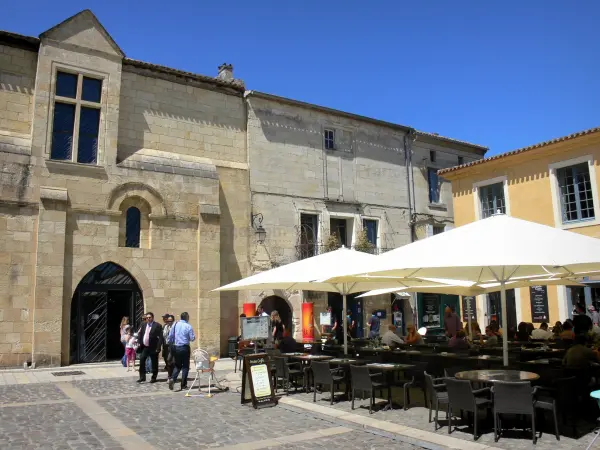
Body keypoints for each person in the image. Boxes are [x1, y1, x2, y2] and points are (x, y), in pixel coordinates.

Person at [168, 312, 196, 391]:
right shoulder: (188, 326)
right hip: (184, 347)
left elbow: (170, 336)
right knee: (185, 366)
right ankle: (183, 385)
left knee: (177, 365)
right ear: (187, 317)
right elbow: (192, 338)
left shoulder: (175, 324)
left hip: (176, 347)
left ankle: (173, 378)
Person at [137, 312, 163, 383]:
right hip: (145, 347)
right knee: (142, 360)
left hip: (153, 347)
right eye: (147, 318)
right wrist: (139, 342)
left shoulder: (157, 325)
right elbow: (140, 334)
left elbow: (160, 338)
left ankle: (154, 377)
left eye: (149, 317)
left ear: (152, 317)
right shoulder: (143, 324)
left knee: (154, 363)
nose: (148, 319)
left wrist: (158, 347)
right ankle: (142, 377)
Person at [161, 314, 174, 380]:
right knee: (167, 360)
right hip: (165, 346)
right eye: (167, 321)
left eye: (170, 321)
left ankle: (170, 376)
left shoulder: (174, 327)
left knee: (170, 361)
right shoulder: (164, 327)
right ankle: (170, 374)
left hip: (172, 346)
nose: (169, 322)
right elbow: (162, 337)